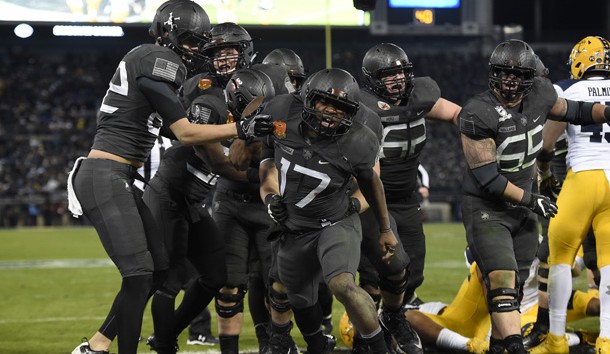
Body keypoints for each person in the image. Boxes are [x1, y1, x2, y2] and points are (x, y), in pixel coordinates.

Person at [67, 2, 273, 353]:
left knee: (158, 270)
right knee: (140, 275)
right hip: (107, 172)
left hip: (121, 173)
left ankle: (98, 346)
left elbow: (170, 126)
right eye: (191, 41)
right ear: (167, 33)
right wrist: (242, 127)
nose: (197, 51)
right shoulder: (160, 61)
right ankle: (115, 348)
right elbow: (184, 133)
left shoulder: (158, 65)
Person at [457, 38, 610, 353]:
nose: (510, 81)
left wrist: (604, 112)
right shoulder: (478, 111)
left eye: (518, 75)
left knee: (516, 285)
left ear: (532, 78)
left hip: (528, 206)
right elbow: (487, 178)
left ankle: (509, 344)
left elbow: (573, 111)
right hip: (491, 206)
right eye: (503, 73)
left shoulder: (544, 94)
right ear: (492, 73)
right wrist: (532, 198)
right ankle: (518, 346)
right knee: (502, 278)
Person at [259, 68, 398, 354]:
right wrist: (270, 197)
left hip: (335, 222)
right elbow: (266, 162)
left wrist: (384, 228)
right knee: (299, 299)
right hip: (293, 228)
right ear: (308, 99)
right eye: (325, 102)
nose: (331, 112)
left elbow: (373, 185)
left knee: (342, 284)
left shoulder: (358, 140)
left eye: (340, 108)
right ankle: (317, 345)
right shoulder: (282, 110)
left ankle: (380, 348)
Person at [355, 42, 462, 354]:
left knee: (412, 272)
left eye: (401, 73)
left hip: (407, 198)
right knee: (375, 276)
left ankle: (391, 318)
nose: (397, 80)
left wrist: (480, 130)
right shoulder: (363, 108)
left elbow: (456, 113)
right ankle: (367, 337)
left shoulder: (421, 96)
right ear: (372, 79)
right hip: (373, 201)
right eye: (389, 75)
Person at [528, 35, 610, 354]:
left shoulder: (567, 88)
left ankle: (556, 339)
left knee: (559, 258)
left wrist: (545, 167)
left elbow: (549, 140)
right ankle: (606, 339)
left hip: (583, 177)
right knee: (608, 264)